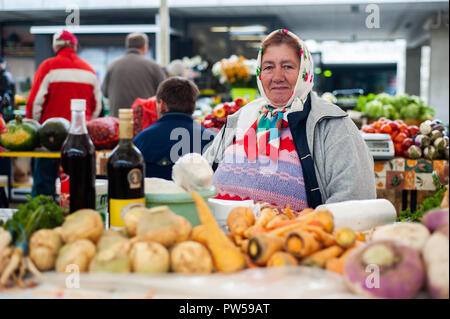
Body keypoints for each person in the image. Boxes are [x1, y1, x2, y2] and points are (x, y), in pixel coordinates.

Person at [203, 29, 376, 211]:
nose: (277, 77)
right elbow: (202, 174)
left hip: (295, 237)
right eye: (269, 67)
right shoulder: (241, 117)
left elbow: (356, 198)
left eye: (287, 66)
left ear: (304, 71)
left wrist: (303, 228)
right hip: (223, 234)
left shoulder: (331, 123)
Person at [26, 30, 102, 198]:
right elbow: (97, 107)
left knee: (43, 188)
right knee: (77, 187)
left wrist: (36, 131)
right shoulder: (89, 70)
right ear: (75, 46)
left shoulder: (48, 66)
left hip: (49, 140)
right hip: (79, 140)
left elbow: (34, 103)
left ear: (55, 46)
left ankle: (42, 220)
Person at [134, 77, 216, 180]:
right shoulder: (212, 140)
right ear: (194, 106)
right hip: (198, 196)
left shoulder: (142, 140)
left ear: (162, 105)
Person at [102, 33, 167, 117]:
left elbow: (105, 93)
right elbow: (165, 94)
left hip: (119, 120)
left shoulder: (112, 65)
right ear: (145, 47)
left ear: (128, 46)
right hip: (144, 121)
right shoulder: (153, 66)